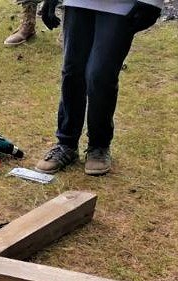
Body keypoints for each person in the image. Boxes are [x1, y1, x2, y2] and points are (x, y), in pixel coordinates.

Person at [35, 0, 163, 176]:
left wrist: (152, 2)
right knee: (72, 72)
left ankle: (99, 146)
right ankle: (66, 144)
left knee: (101, 75)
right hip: (78, 3)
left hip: (121, 6)